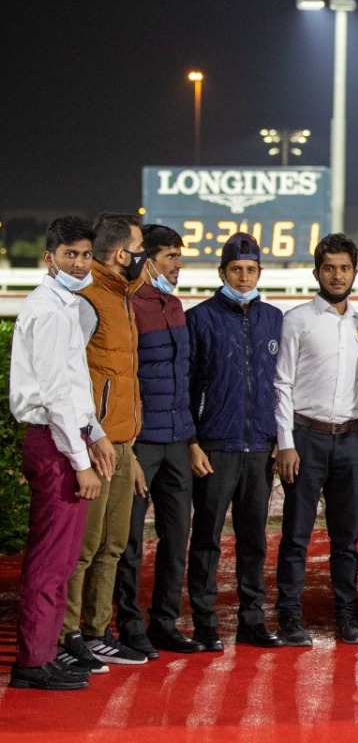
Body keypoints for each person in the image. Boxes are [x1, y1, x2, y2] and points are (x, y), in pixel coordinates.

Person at [8, 218, 114, 690]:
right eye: (70, 254)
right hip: (54, 444)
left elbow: (74, 389)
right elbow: (55, 396)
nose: (79, 263)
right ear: (50, 257)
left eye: (86, 254)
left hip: (65, 438)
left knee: (63, 560)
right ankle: (33, 662)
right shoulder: (49, 311)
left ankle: (45, 651)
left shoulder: (64, 305)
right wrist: (80, 460)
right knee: (51, 561)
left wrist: (96, 433)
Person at [59, 212, 149, 671]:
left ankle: (96, 633)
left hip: (120, 444)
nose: (143, 261)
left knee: (112, 545)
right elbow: (70, 378)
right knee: (84, 548)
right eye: (140, 251)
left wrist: (128, 447)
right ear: (121, 255)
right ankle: (66, 634)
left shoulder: (121, 297)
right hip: (94, 445)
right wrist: (87, 442)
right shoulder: (87, 300)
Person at [186, 233, 284, 651]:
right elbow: (186, 387)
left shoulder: (275, 318)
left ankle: (251, 621)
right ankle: (205, 623)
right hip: (216, 446)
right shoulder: (199, 318)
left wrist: (281, 436)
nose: (244, 277)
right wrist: (192, 441)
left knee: (254, 540)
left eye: (251, 270)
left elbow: (284, 383)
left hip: (260, 446)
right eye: (236, 270)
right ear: (221, 272)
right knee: (207, 537)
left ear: (260, 272)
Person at [274, 233, 358, 646]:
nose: (337, 275)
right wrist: (285, 443)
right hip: (306, 439)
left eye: (344, 268)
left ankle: (346, 616)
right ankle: (290, 617)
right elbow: (281, 384)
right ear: (316, 272)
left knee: (346, 538)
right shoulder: (296, 320)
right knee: (296, 534)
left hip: (351, 442)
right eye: (329, 268)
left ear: (354, 273)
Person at [112, 225, 199, 658]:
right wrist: (126, 445)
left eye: (178, 258)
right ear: (147, 261)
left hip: (178, 442)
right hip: (140, 444)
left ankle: (164, 622)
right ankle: (128, 625)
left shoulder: (177, 305)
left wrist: (191, 439)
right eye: (170, 258)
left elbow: (182, 381)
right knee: (128, 541)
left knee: (175, 537)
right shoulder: (128, 306)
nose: (178, 266)